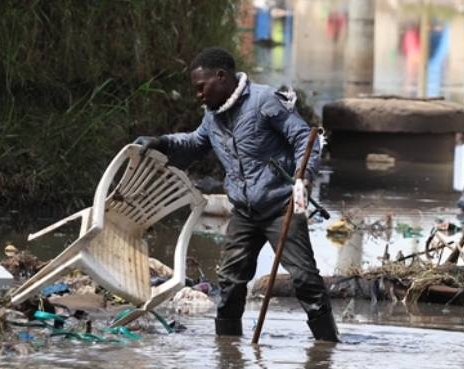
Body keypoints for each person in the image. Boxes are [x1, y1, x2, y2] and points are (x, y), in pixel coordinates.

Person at [135, 47, 339, 342]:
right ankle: (228, 353)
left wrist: (302, 177)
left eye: (201, 87)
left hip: (281, 207)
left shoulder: (264, 101)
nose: (199, 95)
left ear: (221, 76)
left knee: (305, 279)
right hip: (244, 212)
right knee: (230, 283)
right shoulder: (212, 116)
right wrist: (162, 142)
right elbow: (195, 143)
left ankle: (327, 348)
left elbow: (304, 139)